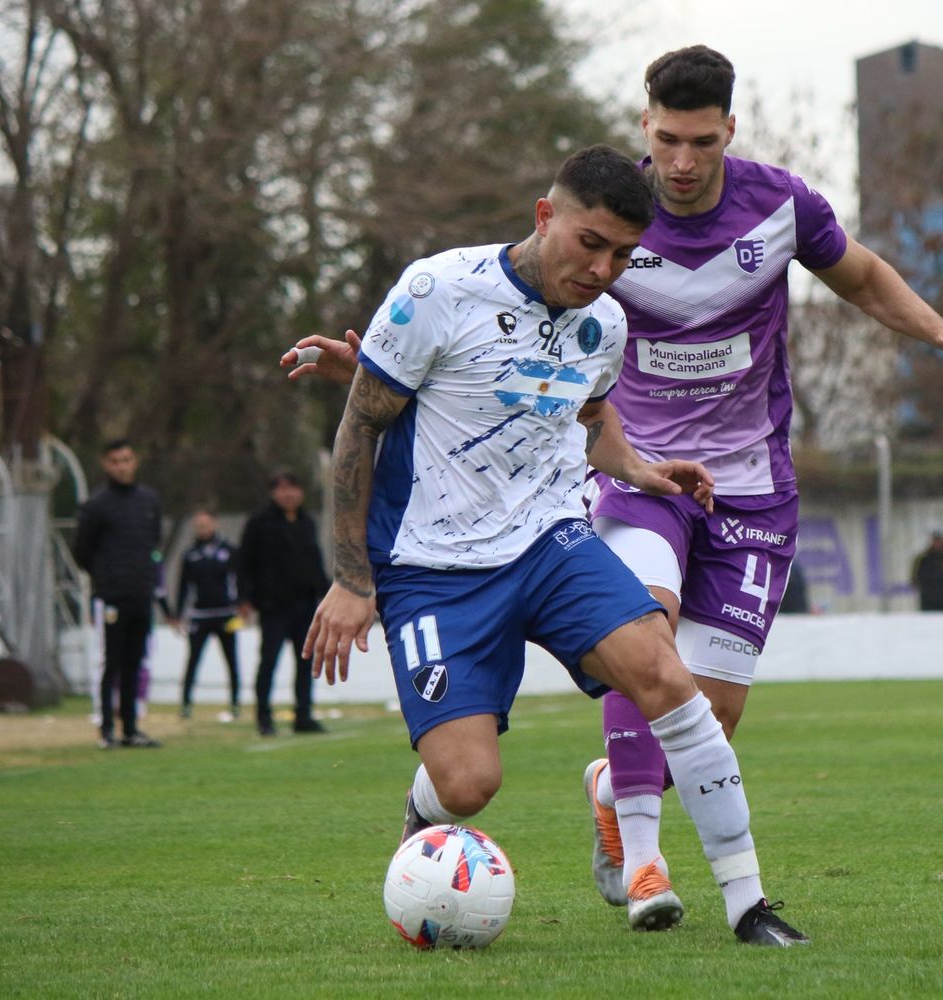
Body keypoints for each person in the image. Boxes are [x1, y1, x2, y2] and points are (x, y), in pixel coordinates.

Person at [282, 47, 943, 927]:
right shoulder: (504, 262)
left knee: (690, 697)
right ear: (644, 127)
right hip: (490, 544)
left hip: (682, 499)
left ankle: (710, 872)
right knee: (485, 773)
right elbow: (427, 376)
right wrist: (356, 538)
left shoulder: (717, 245)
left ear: (729, 133)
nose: (682, 164)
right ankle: (623, 860)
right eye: (667, 141)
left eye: (702, 143)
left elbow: (581, 404)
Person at [301, 145, 807, 946]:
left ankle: (749, 903)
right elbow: (361, 424)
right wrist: (352, 580)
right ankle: (425, 806)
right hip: (434, 570)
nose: (604, 269)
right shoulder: (438, 289)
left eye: (623, 255)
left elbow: (585, 415)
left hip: (549, 543)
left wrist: (643, 469)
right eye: (590, 243)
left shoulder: (604, 323)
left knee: (666, 675)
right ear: (546, 217)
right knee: (468, 786)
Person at [72, 440, 164, 748]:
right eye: (115, 461)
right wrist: (105, 577)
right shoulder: (96, 505)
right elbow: (81, 551)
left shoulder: (149, 500)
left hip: (141, 594)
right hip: (111, 596)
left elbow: (154, 543)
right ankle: (107, 728)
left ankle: (131, 727)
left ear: (134, 460)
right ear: (105, 464)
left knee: (134, 662)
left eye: (126, 459)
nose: (122, 466)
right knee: (111, 662)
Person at [238, 472, 328, 737]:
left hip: (305, 605)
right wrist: (244, 599)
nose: (289, 494)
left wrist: (327, 592)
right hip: (273, 607)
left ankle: (303, 715)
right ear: (273, 493)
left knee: (305, 662)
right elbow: (244, 563)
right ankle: (264, 718)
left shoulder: (307, 522)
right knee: (269, 662)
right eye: (282, 489)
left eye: (293, 488)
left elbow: (314, 561)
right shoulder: (258, 523)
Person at [175, 509, 242, 719]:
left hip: (226, 614)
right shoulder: (191, 554)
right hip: (200, 615)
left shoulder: (229, 550)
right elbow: (183, 586)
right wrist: (178, 614)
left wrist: (242, 606)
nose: (202, 529)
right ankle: (186, 704)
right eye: (198, 525)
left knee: (231, 660)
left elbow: (240, 580)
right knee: (193, 660)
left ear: (215, 523)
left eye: (205, 524)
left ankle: (235, 703)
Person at [911, 531, 943, 611]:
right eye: (935, 541)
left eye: (939, 541)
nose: (937, 543)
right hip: (929, 601)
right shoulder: (923, 559)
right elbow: (916, 578)